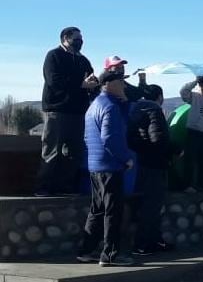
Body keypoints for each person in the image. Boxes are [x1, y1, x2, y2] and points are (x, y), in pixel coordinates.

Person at [77, 71, 133, 266]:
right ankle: (110, 254)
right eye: (121, 82)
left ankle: (86, 250)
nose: (124, 86)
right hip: (110, 166)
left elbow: (89, 137)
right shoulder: (110, 107)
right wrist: (126, 159)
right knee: (113, 211)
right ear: (109, 84)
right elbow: (110, 138)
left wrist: (125, 102)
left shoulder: (94, 107)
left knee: (98, 209)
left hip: (94, 165)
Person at [36, 26, 97, 197]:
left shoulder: (83, 60)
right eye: (76, 38)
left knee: (74, 151)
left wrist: (93, 83)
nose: (80, 42)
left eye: (81, 39)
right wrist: (80, 83)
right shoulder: (53, 56)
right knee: (52, 149)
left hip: (78, 112)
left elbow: (90, 79)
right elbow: (54, 80)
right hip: (57, 110)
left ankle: (65, 186)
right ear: (65, 38)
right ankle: (43, 187)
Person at [127, 84, 180, 255]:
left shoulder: (135, 109)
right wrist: (174, 149)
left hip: (141, 163)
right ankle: (143, 243)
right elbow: (158, 139)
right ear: (160, 97)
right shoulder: (154, 110)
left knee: (148, 205)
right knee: (153, 206)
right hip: (155, 163)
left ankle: (153, 240)